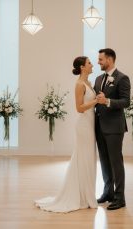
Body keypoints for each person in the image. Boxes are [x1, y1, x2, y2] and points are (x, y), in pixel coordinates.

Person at [34, 56, 98, 213]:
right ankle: (82, 197)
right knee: (83, 158)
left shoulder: (89, 83)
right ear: (82, 67)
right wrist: (96, 101)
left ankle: (87, 194)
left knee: (89, 159)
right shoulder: (79, 84)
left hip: (91, 124)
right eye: (89, 63)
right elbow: (80, 108)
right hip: (84, 126)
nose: (92, 65)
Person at [94, 48, 131, 210]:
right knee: (104, 162)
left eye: (101, 59)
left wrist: (107, 101)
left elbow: (125, 101)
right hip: (99, 126)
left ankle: (120, 197)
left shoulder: (122, 78)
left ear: (109, 59)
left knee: (116, 162)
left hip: (114, 127)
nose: (98, 62)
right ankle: (107, 193)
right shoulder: (98, 78)